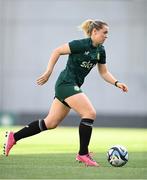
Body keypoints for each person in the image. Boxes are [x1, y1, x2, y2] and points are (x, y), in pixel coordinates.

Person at [4, 19, 128, 167]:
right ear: (94, 32)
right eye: (104, 32)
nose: (106, 36)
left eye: (107, 33)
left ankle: (14, 137)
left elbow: (104, 72)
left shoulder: (100, 50)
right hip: (66, 84)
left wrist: (116, 83)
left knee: (50, 123)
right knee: (90, 113)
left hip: (71, 85)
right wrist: (48, 71)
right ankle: (83, 154)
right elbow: (57, 51)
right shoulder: (80, 44)